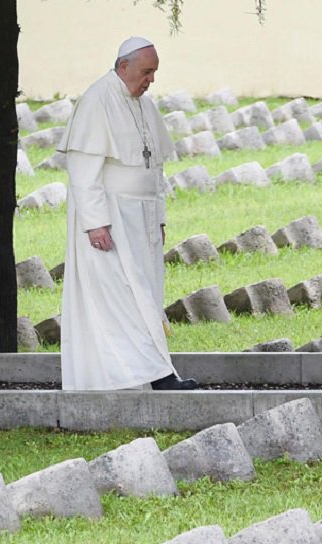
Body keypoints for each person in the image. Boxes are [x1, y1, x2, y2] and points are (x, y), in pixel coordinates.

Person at [56, 36, 199, 391]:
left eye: (154, 73)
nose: (151, 79)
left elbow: (156, 169)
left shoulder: (145, 106)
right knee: (120, 297)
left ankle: (152, 374)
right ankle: (152, 377)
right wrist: (95, 224)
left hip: (143, 218)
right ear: (124, 67)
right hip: (111, 220)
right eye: (146, 71)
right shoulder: (96, 100)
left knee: (145, 294)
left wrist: (160, 216)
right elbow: (83, 171)